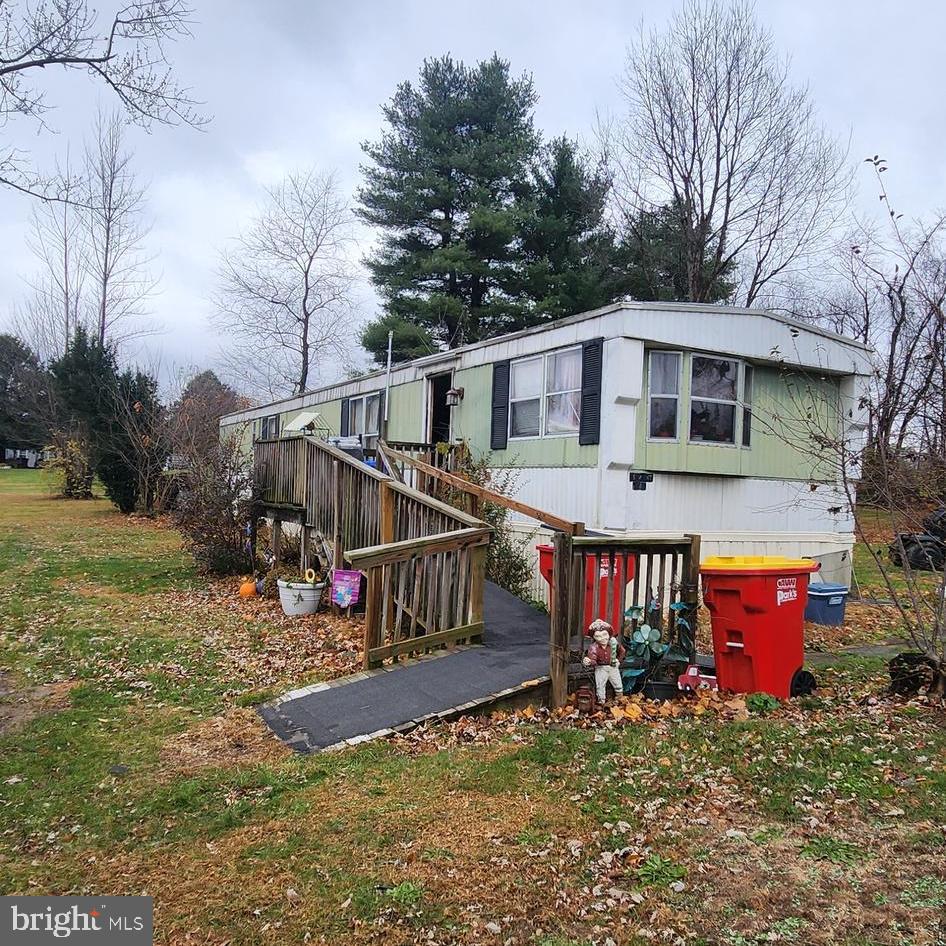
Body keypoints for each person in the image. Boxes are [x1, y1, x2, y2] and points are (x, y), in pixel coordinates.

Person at [582, 619, 626, 704]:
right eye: (598, 636)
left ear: (609, 634)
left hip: (613, 667)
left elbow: (622, 651)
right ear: (594, 637)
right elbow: (593, 660)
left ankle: (619, 699)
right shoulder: (594, 647)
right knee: (600, 685)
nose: (602, 638)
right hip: (601, 668)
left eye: (604, 635)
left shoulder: (613, 643)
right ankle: (601, 702)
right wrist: (589, 661)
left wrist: (618, 660)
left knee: (618, 683)